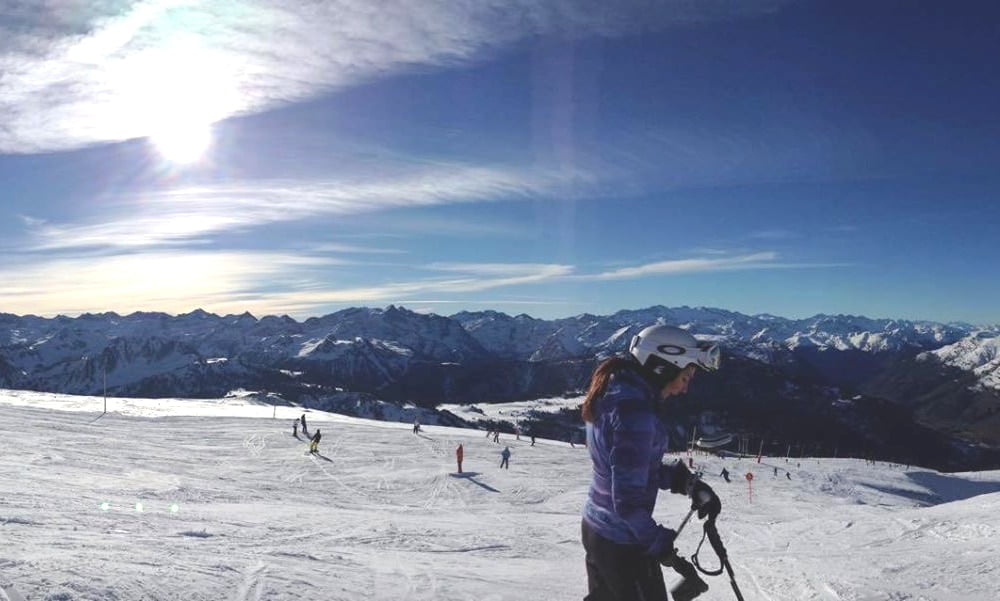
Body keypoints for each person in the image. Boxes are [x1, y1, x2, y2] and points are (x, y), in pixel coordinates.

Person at [580, 324, 721, 601]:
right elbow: (627, 503)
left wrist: (685, 482)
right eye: (685, 378)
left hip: (597, 528)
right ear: (662, 368)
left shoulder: (615, 391)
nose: (684, 389)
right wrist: (659, 543)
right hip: (622, 543)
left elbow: (629, 468)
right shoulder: (635, 414)